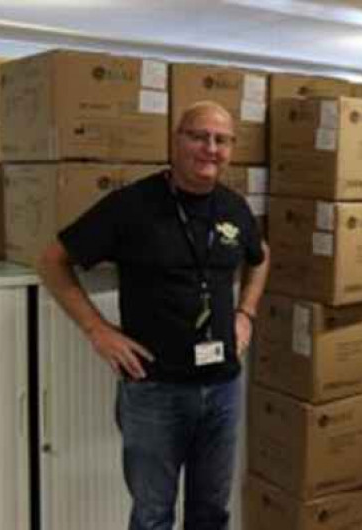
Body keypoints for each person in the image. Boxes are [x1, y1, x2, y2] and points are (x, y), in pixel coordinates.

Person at [37, 101, 270, 530]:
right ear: (176, 139)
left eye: (221, 140)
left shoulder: (234, 208)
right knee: (152, 516)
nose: (210, 148)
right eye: (199, 136)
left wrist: (246, 313)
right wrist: (97, 330)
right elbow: (52, 261)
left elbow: (261, 256)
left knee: (212, 513)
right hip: (155, 390)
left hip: (223, 387)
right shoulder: (132, 205)